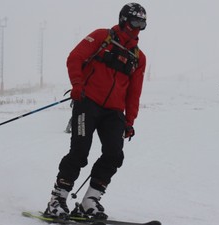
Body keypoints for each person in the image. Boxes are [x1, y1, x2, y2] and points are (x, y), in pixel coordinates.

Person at [44, 3, 147, 220]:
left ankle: (90, 201)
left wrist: (130, 121)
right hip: (87, 102)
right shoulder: (102, 37)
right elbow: (74, 58)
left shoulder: (139, 57)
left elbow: (134, 92)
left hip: (114, 112)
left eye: (142, 23)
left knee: (114, 154)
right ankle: (57, 199)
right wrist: (77, 85)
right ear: (123, 20)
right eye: (135, 22)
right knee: (80, 151)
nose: (138, 27)